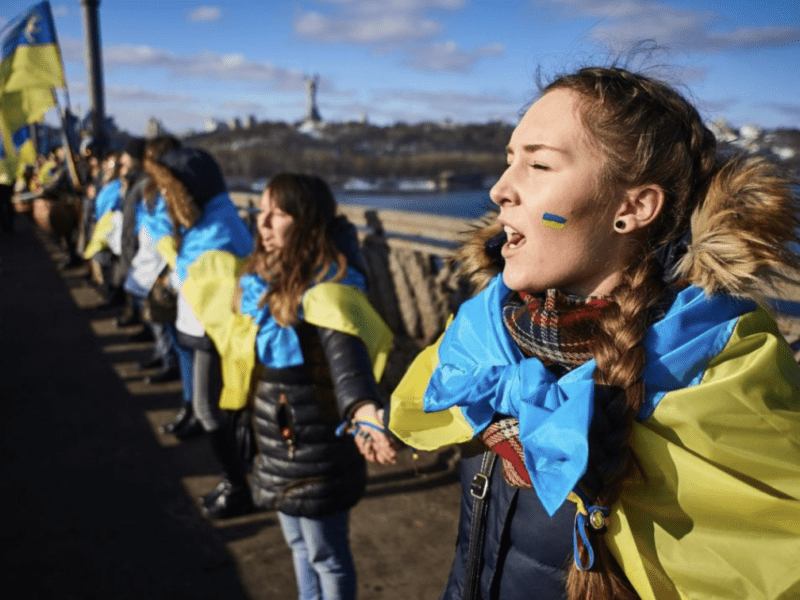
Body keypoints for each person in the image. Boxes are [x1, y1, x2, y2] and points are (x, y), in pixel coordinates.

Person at [388, 65, 800, 600]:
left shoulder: (718, 376)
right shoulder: (484, 332)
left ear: (632, 208)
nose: (499, 189)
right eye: (508, 160)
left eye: (538, 164)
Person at [225, 173, 396, 600]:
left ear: (306, 221)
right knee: (299, 545)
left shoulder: (328, 288)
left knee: (326, 554)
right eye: (261, 211)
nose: (261, 223)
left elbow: (346, 358)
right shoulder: (263, 277)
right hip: (278, 442)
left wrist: (362, 410)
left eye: (277, 214)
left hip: (316, 446)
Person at [144, 147, 255, 517]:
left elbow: (205, 283)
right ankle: (235, 480)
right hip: (199, 326)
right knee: (213, 408)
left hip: (211, 330)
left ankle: (238, 485)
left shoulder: (217, 234)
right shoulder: (211, 222)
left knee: (210, 409)